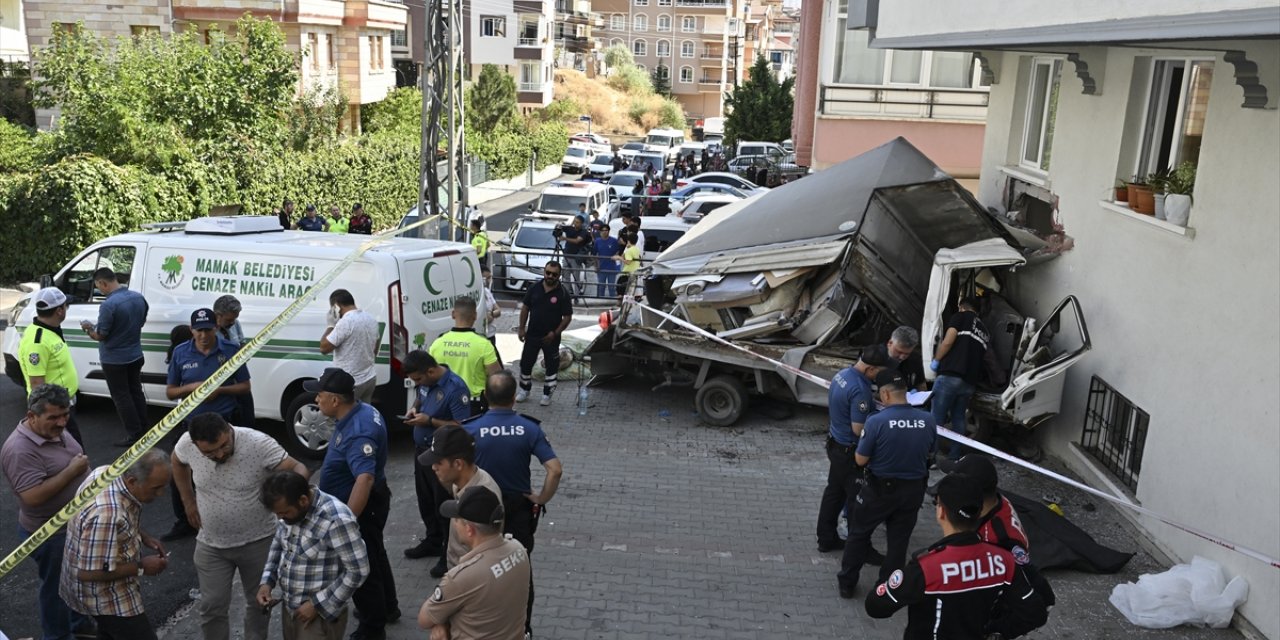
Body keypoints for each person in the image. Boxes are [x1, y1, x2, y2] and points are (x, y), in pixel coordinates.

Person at [172, 413, 309, 640]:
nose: (219, 454)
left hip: (259, 542)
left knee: (258, 603)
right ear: (196, 445)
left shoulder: (258, 443)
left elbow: (298, 468)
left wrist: (294, 501)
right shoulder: (186, 443)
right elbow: (177, 462)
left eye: (223, 446)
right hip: (211, 544)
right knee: (211, 606)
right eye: (209, 452)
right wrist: (188, 501)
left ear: (229, 429)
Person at [864, 473, 1050, 638]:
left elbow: (876, 607)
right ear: (979, 511)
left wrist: (891, 582)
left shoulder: (926, 567)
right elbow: (1035, 613)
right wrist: (996, 631)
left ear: (941, 512)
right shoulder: (1004, 561)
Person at [465, 370, 562, 637]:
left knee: (476, 566)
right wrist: (541, 498)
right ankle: (522, 629)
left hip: (479, 509)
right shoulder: (530, 428)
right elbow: (555, 469)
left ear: (485, 396)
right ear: (514, 399)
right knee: (520, 568)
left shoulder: (470, 428)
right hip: (517, 510)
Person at [307, 368, 399, 639]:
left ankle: (373, 627)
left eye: (320, 395)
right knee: (375, 555)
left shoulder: (358, 431)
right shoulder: (361, 411)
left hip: (362, 507)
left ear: (335, 400)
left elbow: (365, 478)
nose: (316, 401)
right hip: (369, 503)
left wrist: (347, 521)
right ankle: (387, 607)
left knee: (361, 566)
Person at [1, 384, 93, 640]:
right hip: (50, 534)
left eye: (65, 414)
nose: (62, 422)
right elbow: (32, 497)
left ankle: (80, 627)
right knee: (56, 593)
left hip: (75, 526)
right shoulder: (19, 449)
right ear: (32, 416)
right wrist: (72, 472)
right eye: (53, 417)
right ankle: (58, 636)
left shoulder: (56, 430)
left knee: (75, 583)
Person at [837, 369, 937, 600]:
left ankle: (847, 583)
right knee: (898, 542)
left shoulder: (876, 421)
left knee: (859, 534)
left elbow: (860, 459)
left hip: (879, 490)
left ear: (885, 394)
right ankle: (887, 588)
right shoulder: (928, 420)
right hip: (913, 491)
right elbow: (931, 454)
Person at [61, 449, 172, 640]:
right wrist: (141, 567)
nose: (161, 493)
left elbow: (123, 520)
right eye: (156, 488)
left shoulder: (105, 472)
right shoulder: (107, 515)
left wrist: (142, 535)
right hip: (107, 598)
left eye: (164, 486)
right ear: (132, 481)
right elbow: (88, 572)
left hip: (101, 595)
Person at [164, 307, 253, 541]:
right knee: (179, 472)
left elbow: (245, 387)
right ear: (191, 330)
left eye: (207, 329)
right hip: (192, 424)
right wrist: (190, 389)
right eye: (198, 330)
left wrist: (220, 390)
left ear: (216, 327)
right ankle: (185, 520)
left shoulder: (231, 350)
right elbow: (170, 392)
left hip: (225, 422)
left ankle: (231, 519)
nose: (203, 335)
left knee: (227, 471)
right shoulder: (181, 353)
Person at [257, 471, 370, 640]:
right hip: (290, 608)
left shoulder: (336, 519)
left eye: (284, 513)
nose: (280, 518)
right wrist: (267, 582)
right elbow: (279, 545)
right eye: (277, 514)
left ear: (303, 501)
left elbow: (358, 570)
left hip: (320, 617)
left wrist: (317, 605)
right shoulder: (287, 511)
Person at [417, 485, 530, 640]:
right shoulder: (518, 550)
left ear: (469, 530)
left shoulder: (461, 578)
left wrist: (441, 623)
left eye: (456, 520)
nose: (454, 524)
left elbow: (424, 619)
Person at [816, 346, 891, 554]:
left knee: (833, 494)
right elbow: (858, 429)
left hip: (835, 444)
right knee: (857, 502)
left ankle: (826, 539)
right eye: (879, 372)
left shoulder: (842, 374)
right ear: (871, 369)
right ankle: (860, 549)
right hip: (849, 452)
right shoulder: (861, 389)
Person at [400, 351, 472, 565]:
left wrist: (430, 421)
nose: (417, 383)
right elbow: (420, 399)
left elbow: (463, 425)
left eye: (418, 379)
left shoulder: (455, 388)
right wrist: (413, 410)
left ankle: (448, 552)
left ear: (430, 371)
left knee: (443, 503)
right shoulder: (425, 382)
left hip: (442, 455)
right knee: (426, 500)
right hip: (421, 451)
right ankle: (433, 540)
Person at [418, 426, 503, 579]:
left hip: (470, 578)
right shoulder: (461, 480)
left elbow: (487, 551)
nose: (433, 467)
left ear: (458, 464)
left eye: (438, 462)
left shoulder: (483, 498)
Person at [80, 267, 149, 448]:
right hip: (135, 354)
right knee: (136, 391)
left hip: (114, 359)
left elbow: (100, 335)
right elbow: (141, 322)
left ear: (103, 283)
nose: (99, 290)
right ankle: (144, 428)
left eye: (98, 287)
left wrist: (88, 328)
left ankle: (134, 434)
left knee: (122, 397)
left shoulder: (109, 305)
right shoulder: (138, 298)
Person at [19, 288, 84, 444]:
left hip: (62, 404)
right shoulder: (38, 342)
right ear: (60, 311)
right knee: (73, 451)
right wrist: (49, 418)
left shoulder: (49, 329)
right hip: (54, 410)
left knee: (72, 449)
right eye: (65, 306)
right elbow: (36, 384)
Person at [930, 297, 990, 461]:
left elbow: (948, 341)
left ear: (961, 307)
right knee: (958, 419)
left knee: (936, 418)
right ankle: (954, 456)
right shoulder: (984, 330)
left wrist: (936, 360)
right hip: (969, 383)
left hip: (950, 376)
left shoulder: (960, 317)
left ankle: (930, 457)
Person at [516, 261, 573, 406]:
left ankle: (547, 393)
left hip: (551, 337)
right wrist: (522, 328)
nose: (550, 276)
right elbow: (525, 308)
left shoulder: (563, 293)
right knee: (526, 363)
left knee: (552, 365)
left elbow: (567, 317)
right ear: (544, 272)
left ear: (559, 275)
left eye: (554, 274)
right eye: (548, 273)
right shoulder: (534, 288)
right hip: (532, 334)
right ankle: (524, 390)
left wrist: (555, 333)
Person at [430, 297, 502, 411]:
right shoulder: (484, 344)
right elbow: (498, 377)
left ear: (453, 314)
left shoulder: (437, 343)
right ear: (475, 315)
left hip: (443, 402)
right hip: (473, 404)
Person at [319, 289, 380, 404]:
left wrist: (331, 325)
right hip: (369, 379)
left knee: (342, 418)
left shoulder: (346, 322)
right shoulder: (371, 319)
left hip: (349, 383)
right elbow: (374, 351)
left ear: (336, 306)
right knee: (362, 416)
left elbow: (324, 348)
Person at [213, 294, 256, 427]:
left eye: (235, 319)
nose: (232, 323)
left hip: (239, 382)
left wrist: (244, 351)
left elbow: (242, 343)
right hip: (220, 387)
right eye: (229, 319)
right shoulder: (208, 332)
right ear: (218, 315)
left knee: (247, 422)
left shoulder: (235, 324)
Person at [884, 326, 928, 391]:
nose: (902, 357)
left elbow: (921, 384)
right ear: (890, 343)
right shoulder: (874, 357)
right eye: (899, 352)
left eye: (907, 354)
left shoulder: (915, 360)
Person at [558, 217, 592, 297]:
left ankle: (576, 295)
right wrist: (559, 227)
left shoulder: (583, 232)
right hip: (566, 256)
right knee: (565, 277)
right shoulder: (570, 228)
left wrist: (564, 238)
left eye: (578, 222)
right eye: (575, 222)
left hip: (576, 258)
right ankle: (566, 295)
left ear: (581, 223)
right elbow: (560, 227)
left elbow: (577, 240)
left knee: (576, 278)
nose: (576, 224)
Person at [480, 267, 502, 362]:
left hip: (491, 333)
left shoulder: (487, 292)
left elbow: (498, 310)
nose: (489, 281)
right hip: (483, 336)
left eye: (490, 277)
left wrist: (491, 314)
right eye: (487, 278)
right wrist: (492, 314)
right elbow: (486, 319)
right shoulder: (479, 294)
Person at [593, 224, 622, 298]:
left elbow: (618, 252)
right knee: (601, 287)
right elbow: (594, 254)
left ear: (609, 231)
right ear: (600, 232)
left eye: (606, 230)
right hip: (601, 267)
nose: (605, 232)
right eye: (603, 230)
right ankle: (600, 301)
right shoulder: (597, 241)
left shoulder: (614, 241)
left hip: (612, 268)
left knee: (611, 287)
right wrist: (596, 266)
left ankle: (612, 301)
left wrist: (616, 259)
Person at [617, 232, 642, 299]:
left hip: (627, 273)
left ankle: (620, 304)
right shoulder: (637, 249)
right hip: (634, 273)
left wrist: (619, 258)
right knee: (629, 291)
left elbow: (628, 262)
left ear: (628, 240)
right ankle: (625, 305)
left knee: (620, 289)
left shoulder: (629, 250)